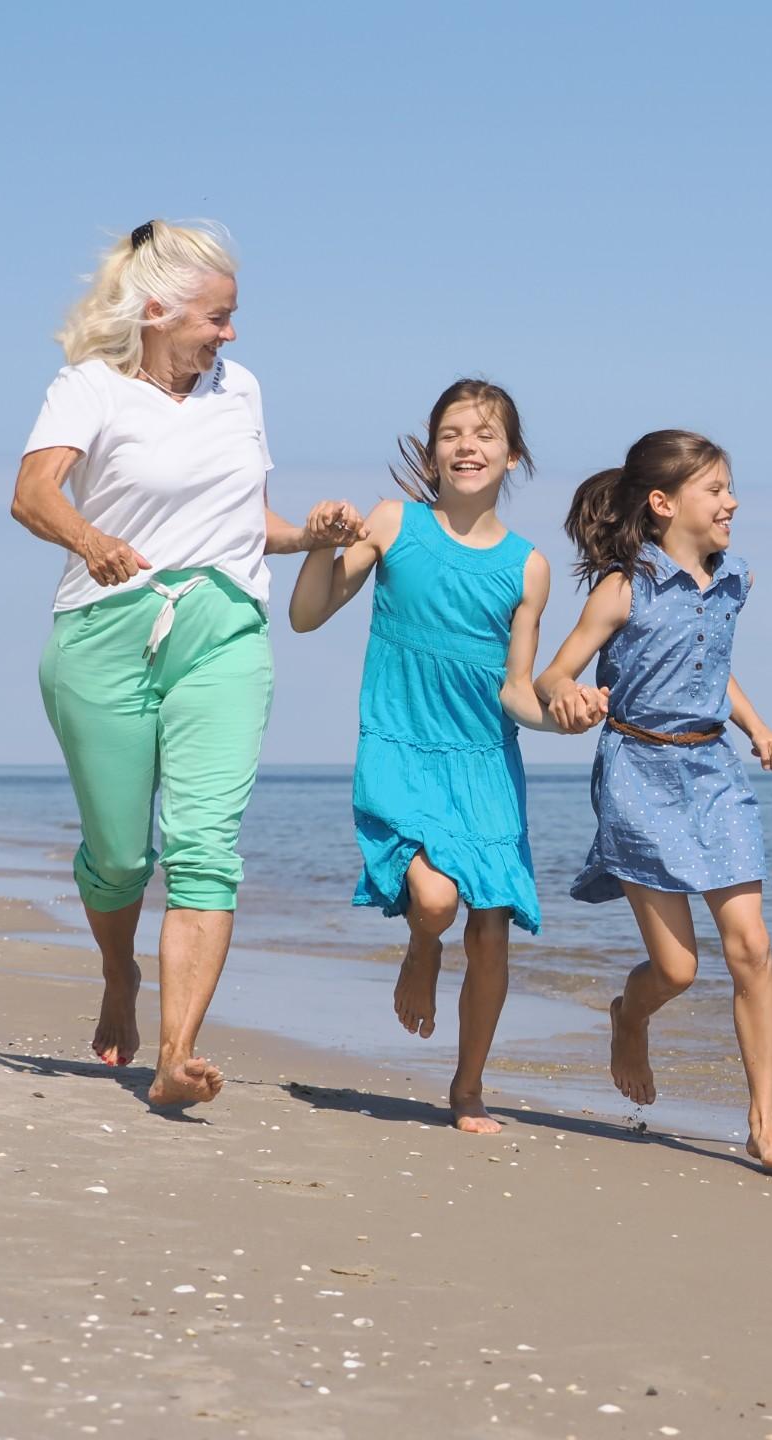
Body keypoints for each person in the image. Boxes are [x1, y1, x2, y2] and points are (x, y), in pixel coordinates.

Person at [11, 219, 363, 1107]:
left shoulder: (239, 390)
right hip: (104, 633)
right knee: (123, 859)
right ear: (160, 309)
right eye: (218, 316)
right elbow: (32, 495)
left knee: (207, 849)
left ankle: (177, 1054)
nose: (231, 334)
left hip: (224, 635)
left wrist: (306, 536)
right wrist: (90, 539)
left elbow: (247, 524)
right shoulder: (89, 388)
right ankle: (119, 974)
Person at [288, 379, 564, 1133]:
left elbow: (516, 690)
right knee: (438, 902)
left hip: (483, 758)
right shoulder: (394, 521)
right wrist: (324, 545)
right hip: (401, 746)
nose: (467, 446)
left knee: (492, 926)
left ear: (513, 456)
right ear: (433, 449)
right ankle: (419, 944)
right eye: (452, 433)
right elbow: (308, 616)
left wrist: (562, 719)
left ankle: (468, 1088)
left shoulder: (527, 567)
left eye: (484, 435)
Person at [534, 431, 772, 1175]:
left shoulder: (734, 578)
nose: (732, 502)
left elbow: (714, 667)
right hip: (638, 772)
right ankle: (630, 1014)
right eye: (715, 490)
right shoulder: (624, 587)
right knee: (679, 969)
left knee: (751, 945)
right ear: (664, 503)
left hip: (715, 773)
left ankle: (763, 1119)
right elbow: (553, 674)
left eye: (729, 488)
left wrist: (761, 731)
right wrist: (571, 697)